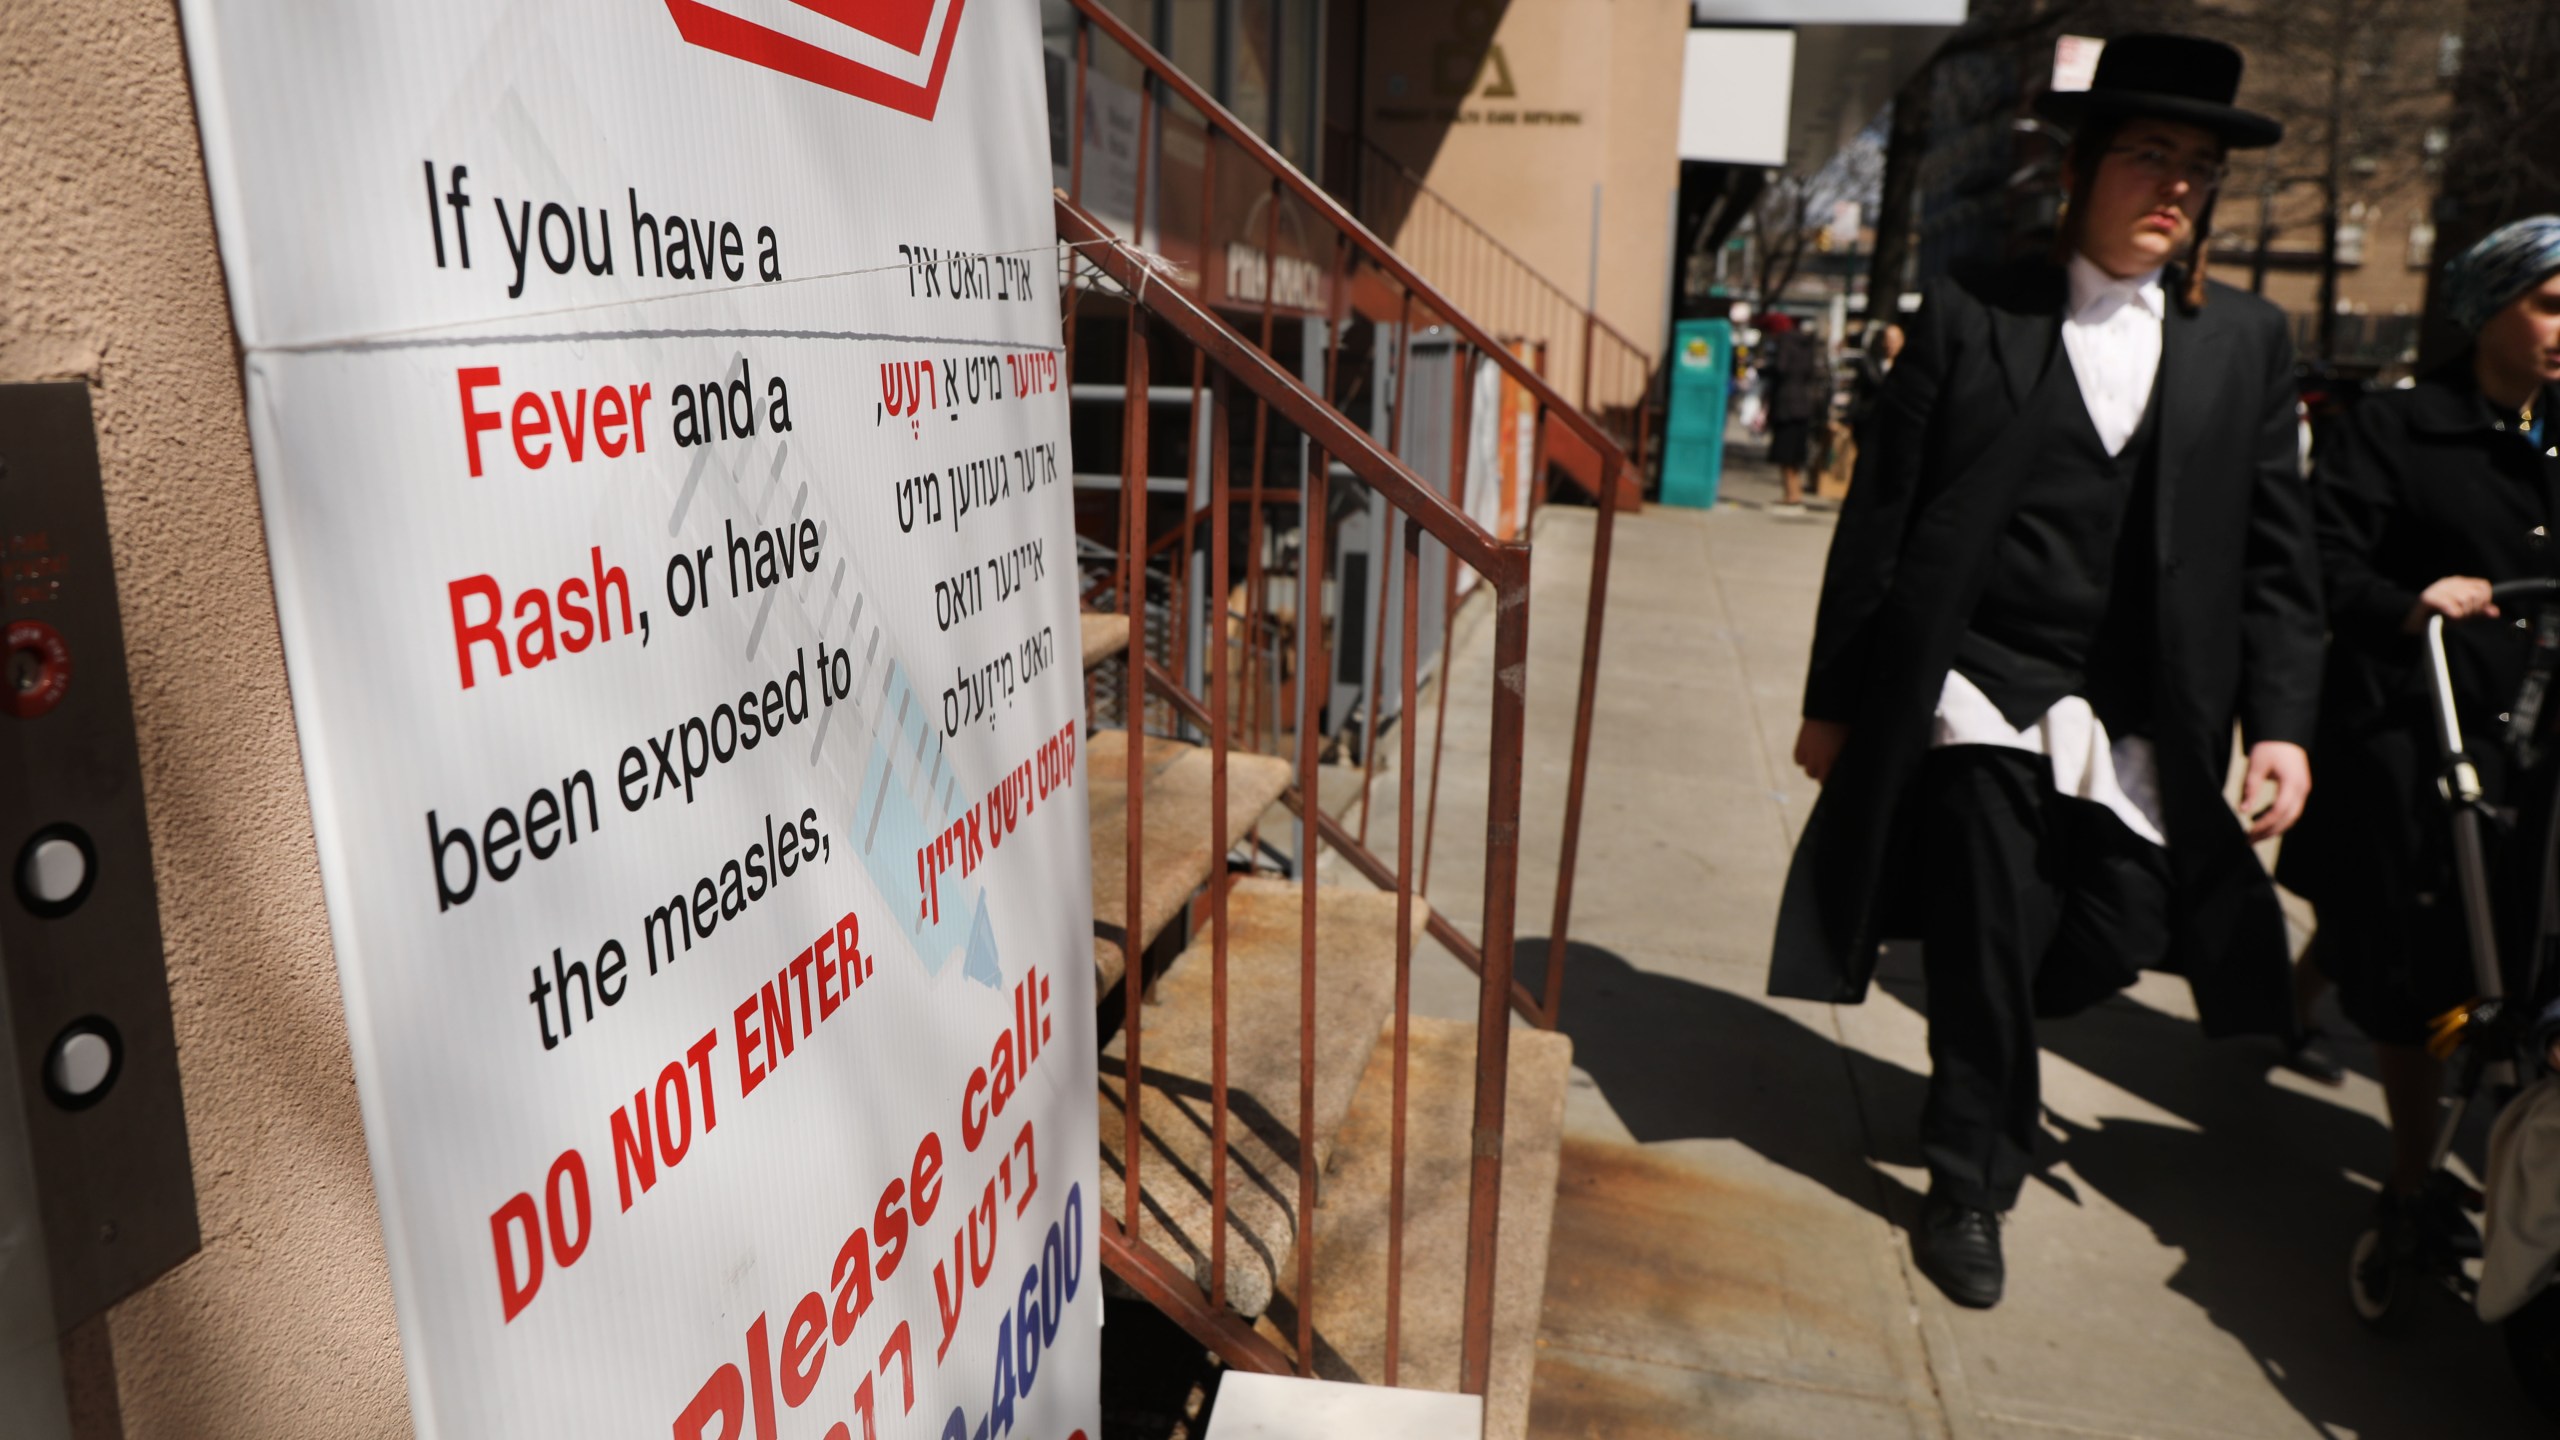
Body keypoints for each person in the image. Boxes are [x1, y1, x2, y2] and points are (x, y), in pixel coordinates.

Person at [1770, 34, 2321, 1310]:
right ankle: (1969, 1178)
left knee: (2107, 939)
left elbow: (2276, 554)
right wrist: (1835, 700)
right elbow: (1884, 521)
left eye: (2196, 167)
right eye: (2147, 156)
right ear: (2078, 170)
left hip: (2140, 708)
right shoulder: (1975, 308)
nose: (2174, 186)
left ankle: (1979, 1019)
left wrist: (2282, 723)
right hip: (1976, 678)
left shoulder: (2248, 341)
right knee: (1980, 900)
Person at [2275, 216, 2560, 1252]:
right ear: (2487, 310)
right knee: (2416, 953)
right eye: (2550, 303)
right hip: (2411, 727)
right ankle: (2408, 1177)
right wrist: (2411, 600)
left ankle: (2294, 998)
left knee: (2458, 926)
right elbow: (2319, 564)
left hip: (2529, 738)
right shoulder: (2390, 428)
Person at [1765, 314, 1829, 511]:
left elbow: (1780, 369)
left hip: (1786, 405)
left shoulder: (1784, 341)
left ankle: (1791, 494)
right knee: (1795, 454)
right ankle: (1794, 493)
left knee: (1785, 453)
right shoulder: (1806, 345)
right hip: (1804, 405)